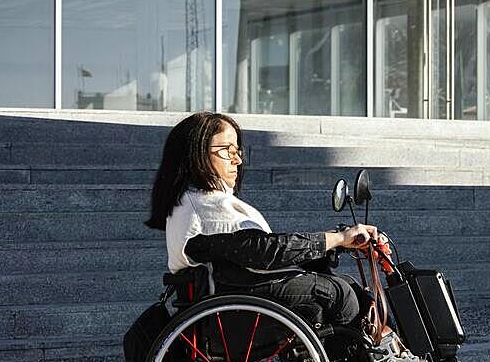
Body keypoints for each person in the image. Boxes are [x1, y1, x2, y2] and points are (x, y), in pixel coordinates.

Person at [144, 111, 375, 329]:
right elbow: (265, 252)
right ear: (196, 154)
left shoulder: (191, 203)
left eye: (238, 151)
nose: (237, 161)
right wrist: (337, 238)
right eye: (227, 150)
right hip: (232, 313)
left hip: (230, 304)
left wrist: (335, 244)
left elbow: (259, 251)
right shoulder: (202, 205)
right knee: (337, 293)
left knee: (346, 286)